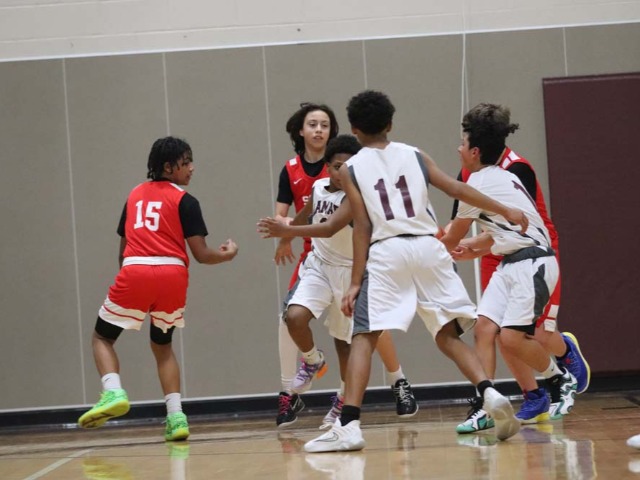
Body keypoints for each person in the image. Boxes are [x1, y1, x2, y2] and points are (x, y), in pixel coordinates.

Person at [304, 90, 525, 453]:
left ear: (354, 129)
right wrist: (505, 210)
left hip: (387, 251)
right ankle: (489, 392)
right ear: (390, 123)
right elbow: (456, 187)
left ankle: (349, 425)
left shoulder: (352, 169)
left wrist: (355, 282)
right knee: (447, 334)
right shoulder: (414, 154)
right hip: (428, 248)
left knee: (364, 337)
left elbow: (362, 227)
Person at [77, 136, 238, 441]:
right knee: (162, 346)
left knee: (102, 337)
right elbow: (202, 255)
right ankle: (176, 417)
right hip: (173, 275)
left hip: (135, 269)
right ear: (167, 167)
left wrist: (132, 282)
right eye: (186, 162)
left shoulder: (134, 195)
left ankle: (113, 392)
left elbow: (123, 250)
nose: (192, 167)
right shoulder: (186, 201)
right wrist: (227, 255)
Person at [440, 104, 580, 439]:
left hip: (533, 262)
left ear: (475, 151)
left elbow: (451, 238)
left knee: (512, 338)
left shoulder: (482, 183)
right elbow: (504, 232)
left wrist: (414, 244)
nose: (458, 149)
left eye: (462, 144)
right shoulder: (498, 178)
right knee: (484, 329)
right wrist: (473, 248)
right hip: (510, 260)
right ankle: (486, 405)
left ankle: (558, 377)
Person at [260, 135, 418, 429]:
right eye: (336, 167)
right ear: (327, 167)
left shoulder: (358, 199)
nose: (341, 173)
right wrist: (285, 236)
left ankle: (344, 400)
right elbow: (303, 217)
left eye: (348, 167)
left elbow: (329, 228)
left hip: (350, 271)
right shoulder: (318, 188)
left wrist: (286, 232)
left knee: (345, 345)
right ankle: (312, 360)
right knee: (293, 317)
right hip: (320, 266)